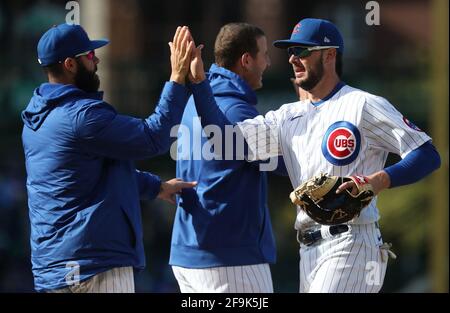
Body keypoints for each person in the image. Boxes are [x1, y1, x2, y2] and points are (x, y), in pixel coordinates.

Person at [184, 18, 441, 292]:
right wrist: (199, 84)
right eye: (291, 51)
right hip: (308, 250)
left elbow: (426, 154)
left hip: (352, 242)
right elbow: (225, 141)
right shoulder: (287, 117)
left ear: (330, 55)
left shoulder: (362, 104)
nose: (294, 58)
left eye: (304, 50)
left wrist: (378, 180)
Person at [21, 23, 196, 292]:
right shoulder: (82, 116)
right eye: (89, 56)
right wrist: (176, 78)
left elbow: (89, 176)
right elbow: (154, 138)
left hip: (53, 269)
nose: (97, 59)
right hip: (92, 265)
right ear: (70, 64)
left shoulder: (36, 119)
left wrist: (156, 187)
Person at [169, 23, 288, 293]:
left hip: (187, 255)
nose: (268, 62)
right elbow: (283, 164)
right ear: (246, 60)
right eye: (264, 54)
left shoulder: (191, 103)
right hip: (229, 260)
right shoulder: (237, 111)